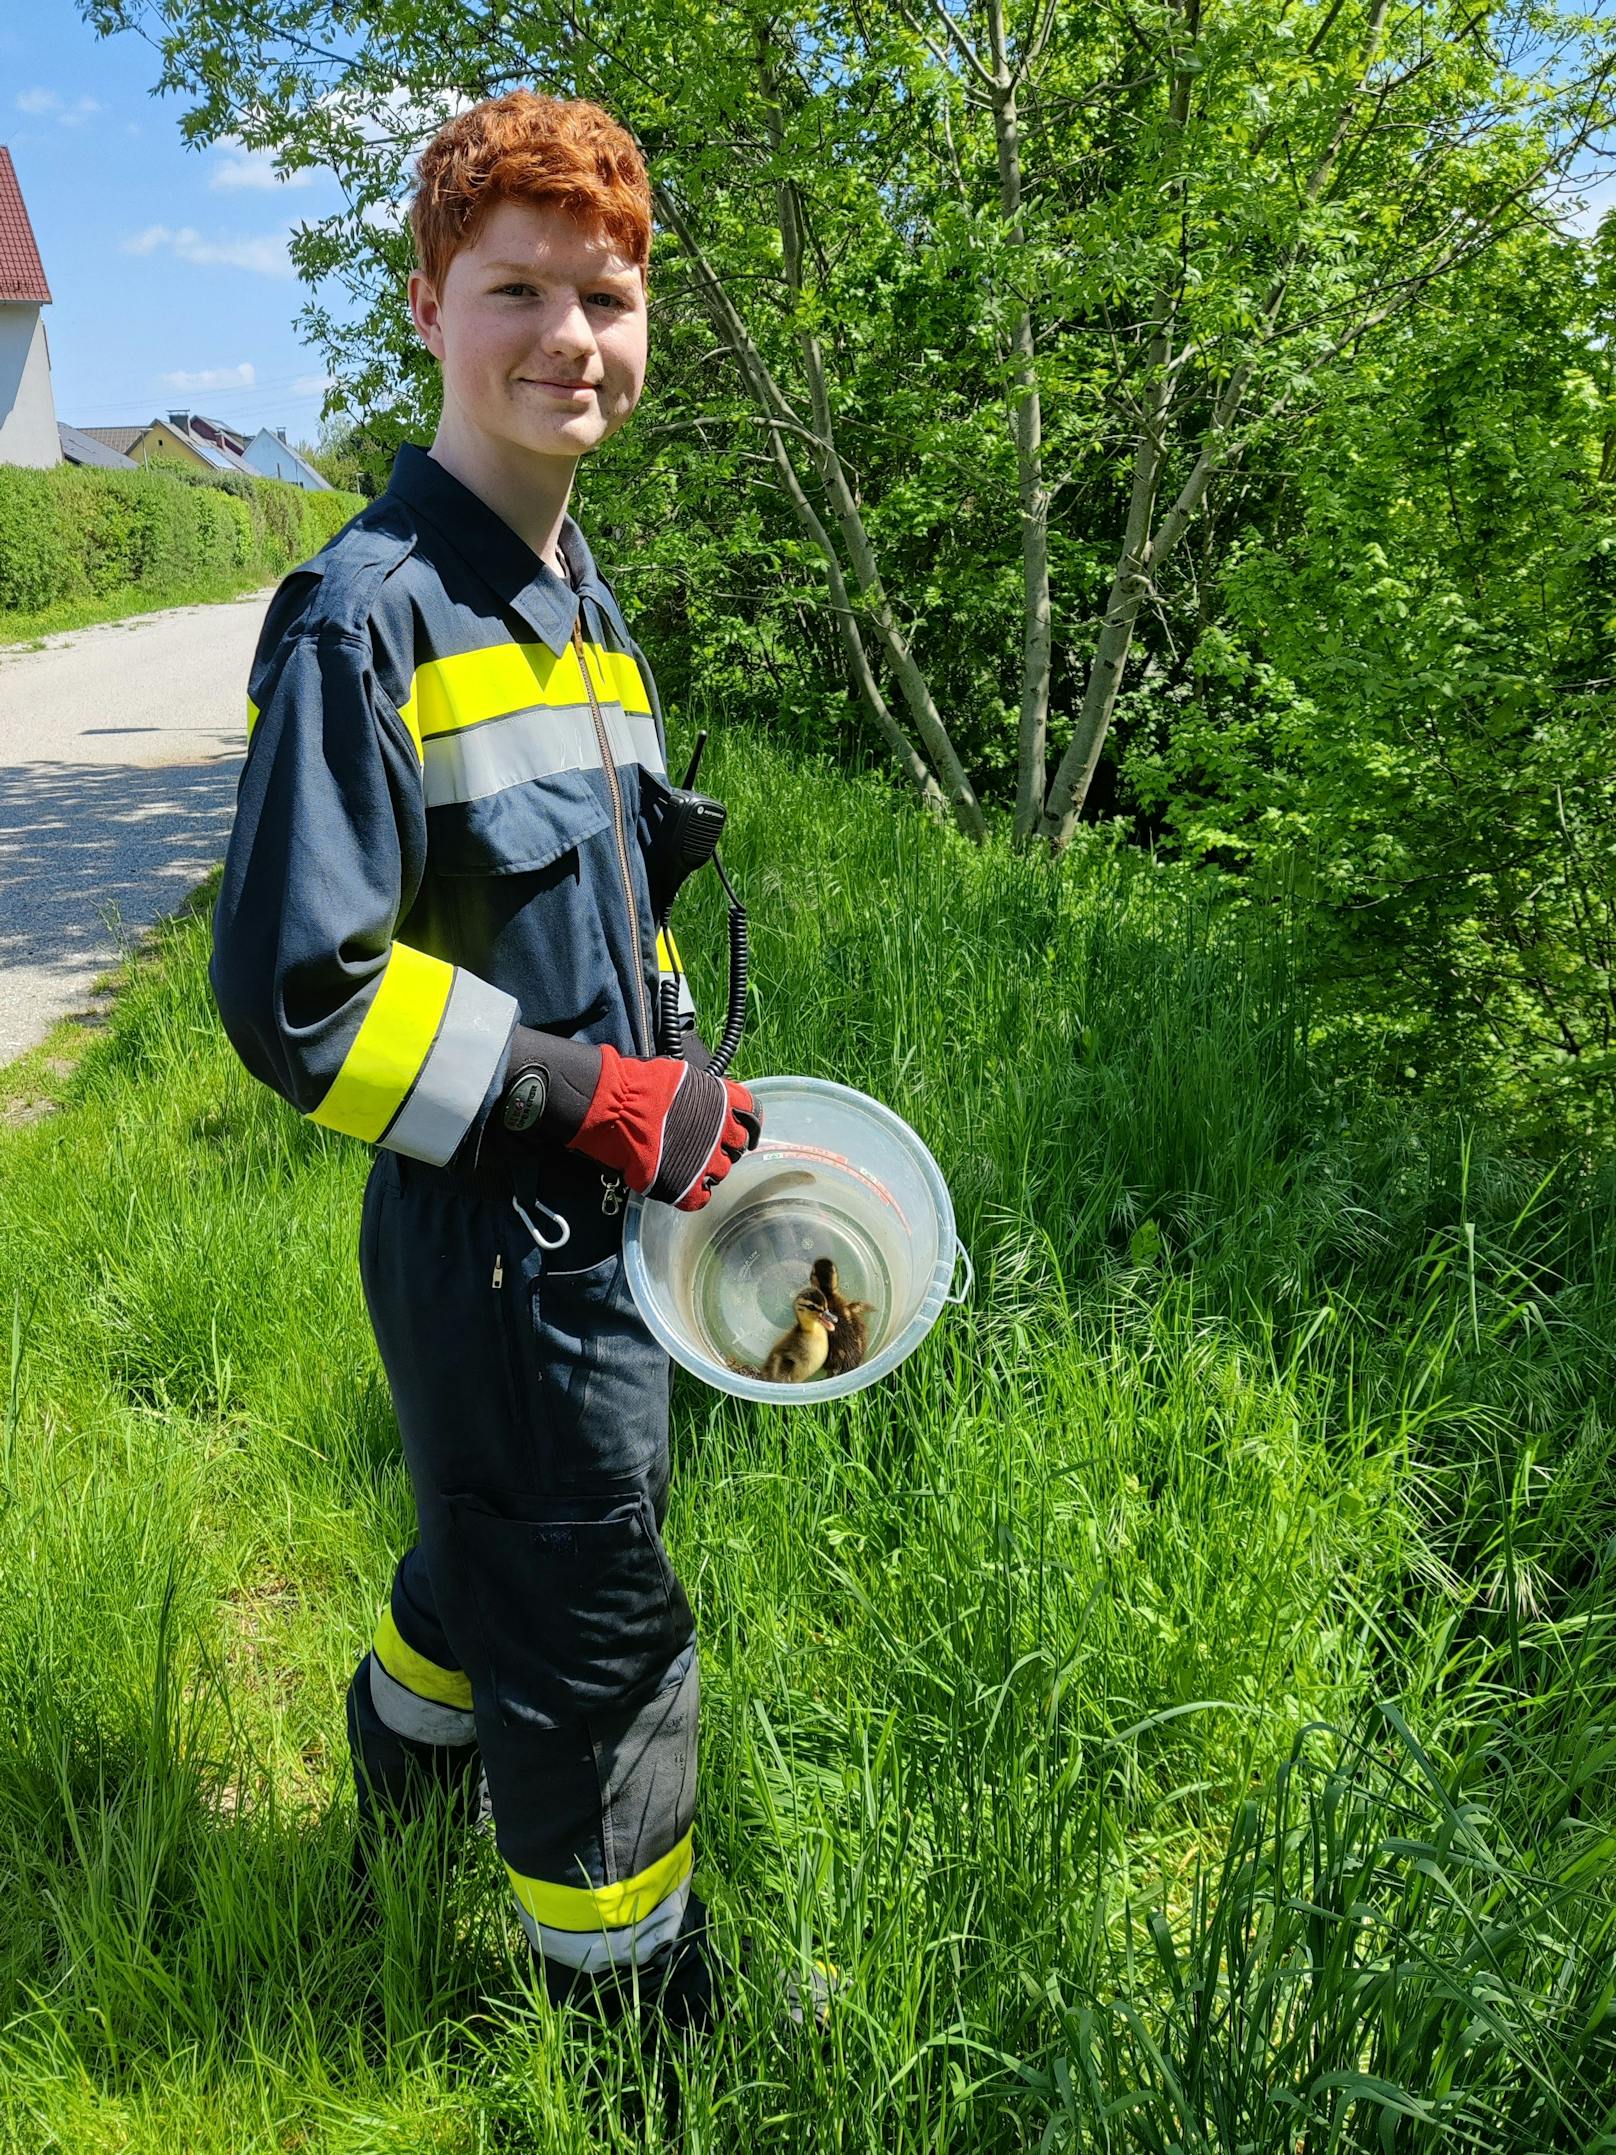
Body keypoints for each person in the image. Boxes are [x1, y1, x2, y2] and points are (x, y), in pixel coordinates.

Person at [210, 90, 762, 2034]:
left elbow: (615, 897)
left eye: (604, 294)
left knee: (491, 1538)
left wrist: (690, 1076)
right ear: (432, 300)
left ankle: (399, 1786)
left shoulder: (584, 606)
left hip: (604, 1228)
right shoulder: (373, 612)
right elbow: (297, 994)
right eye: (516, 286)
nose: (569, 337)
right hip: (499, 1254)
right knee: (597, 1621)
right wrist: (599, 1101)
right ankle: (630, 2032)